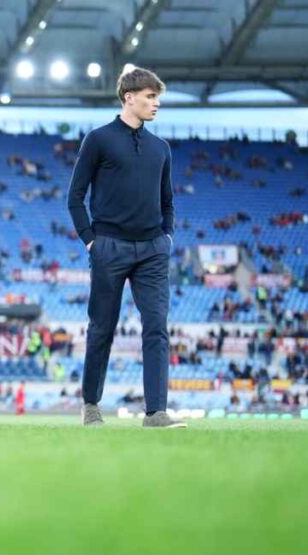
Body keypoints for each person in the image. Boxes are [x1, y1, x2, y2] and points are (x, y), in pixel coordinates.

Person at [67, 66, 185, 429]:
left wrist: (166, 237)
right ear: (128, 97)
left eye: (157, 97)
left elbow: (168, 201)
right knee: (102, 327)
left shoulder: (161, 148)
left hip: (152, 249)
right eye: (150, 96)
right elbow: (75, 197)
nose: (157, 103)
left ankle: (156, 412)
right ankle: (91, 404)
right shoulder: (98, 139)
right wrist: (91, 240)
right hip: (109, 247)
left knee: (157, 327)